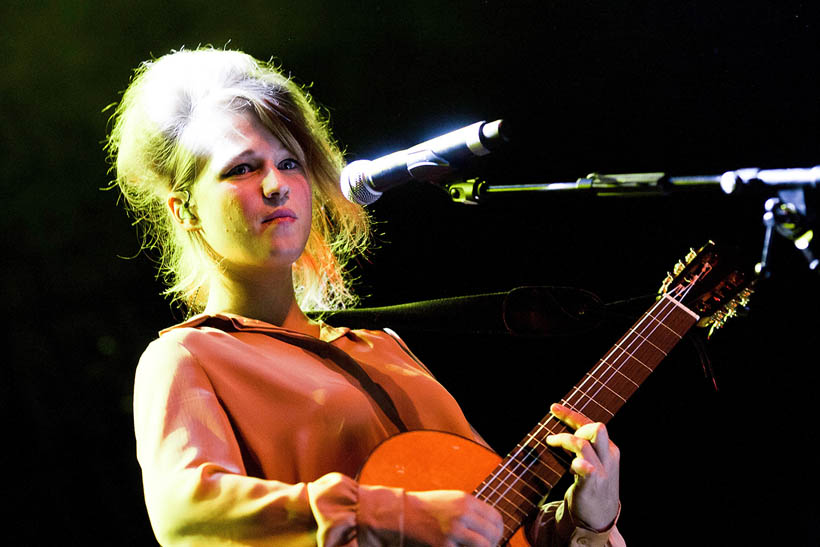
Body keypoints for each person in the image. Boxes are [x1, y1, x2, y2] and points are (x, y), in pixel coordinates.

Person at [106, 47, 625, 546]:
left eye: (290, 164)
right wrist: (392, 515)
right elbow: (184, 513)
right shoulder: (187, 357)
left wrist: (586, 523)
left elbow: (487, 525)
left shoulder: (383, 346)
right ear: (184, 211)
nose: (276, 185)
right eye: (242, 168)